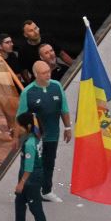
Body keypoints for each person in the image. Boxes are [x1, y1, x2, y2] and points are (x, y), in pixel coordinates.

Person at [15, 59, 71, 202]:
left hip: (52, 134)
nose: (48, 74)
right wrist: (17, 138)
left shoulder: (57, 86)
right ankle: (27, 190)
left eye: (48, 71)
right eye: (44, 73)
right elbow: (20, 117)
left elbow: (63, 109)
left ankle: (46, 190)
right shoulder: (27, 92)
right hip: (35, 137)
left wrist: (68, 127)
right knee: (31, 164)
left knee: (49, 163)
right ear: (35, 74)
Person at [2, 112, 51, 221]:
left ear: (28, 126)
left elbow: (29, 167)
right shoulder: (36, 137)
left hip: (31, 179)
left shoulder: (29, 143)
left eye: (20, 126)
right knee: (19, 202)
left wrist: (21, 183)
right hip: (30, 176)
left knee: (35, 208)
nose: (18, 129)